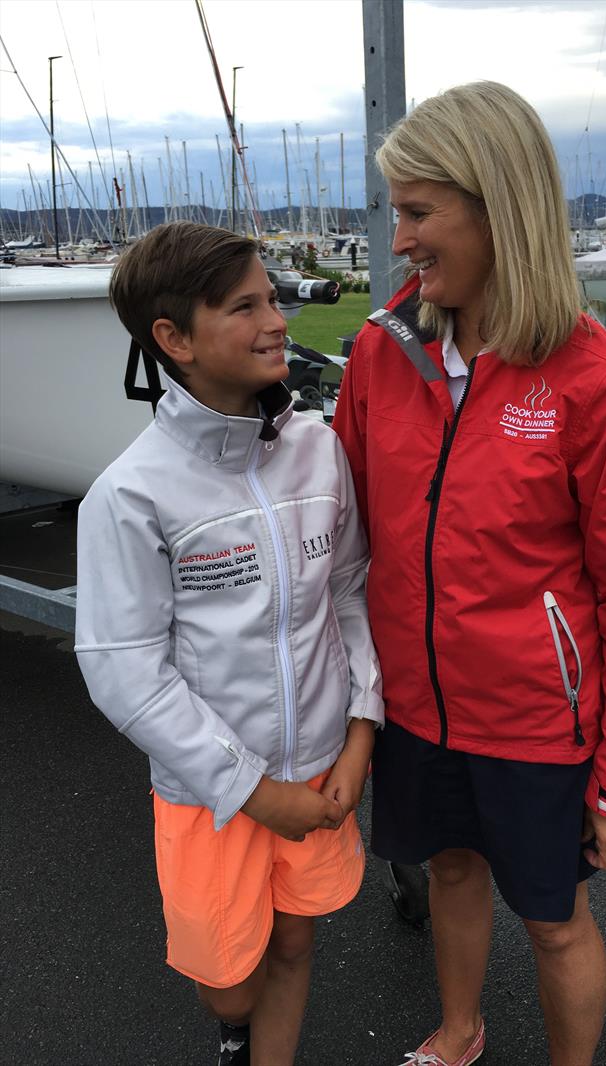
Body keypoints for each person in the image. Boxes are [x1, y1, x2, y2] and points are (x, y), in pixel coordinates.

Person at [333, 82, 606, 1066]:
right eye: (395, 212)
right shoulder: (377, 352)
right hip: (415, 709)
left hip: (536, 721)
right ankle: (458, 1030)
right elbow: (342, 526)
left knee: (552, 916)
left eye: (415, 212)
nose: (398, 239)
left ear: (493, 204)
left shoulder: (593, 376)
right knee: (448, 869)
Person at [75, 221, 383, 1066]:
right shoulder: (130, 494)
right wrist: (250, 789)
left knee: (294, 942)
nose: (276, 320)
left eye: (274, 298)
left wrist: (361, 729)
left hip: (321, 768)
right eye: (244, 307)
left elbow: (351, 591)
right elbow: (123, 670)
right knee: (230, 983)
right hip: (211, 794)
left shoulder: (319, 452)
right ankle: (235, 1030)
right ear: (172, 339)